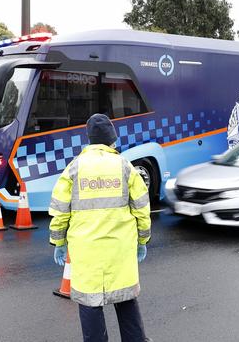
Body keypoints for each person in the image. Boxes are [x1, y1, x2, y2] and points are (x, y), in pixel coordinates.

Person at [49, 113, 152, 342]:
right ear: (112, 140)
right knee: (125, 300)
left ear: (90, 140)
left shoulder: (74, 168)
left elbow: (59, 210)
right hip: (120, 250)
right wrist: (142, 240)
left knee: (90, 304)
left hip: (87, 253)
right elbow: (142, 208)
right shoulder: (124, 166)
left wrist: (58, 242)